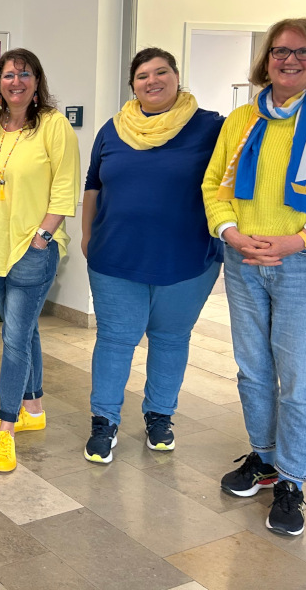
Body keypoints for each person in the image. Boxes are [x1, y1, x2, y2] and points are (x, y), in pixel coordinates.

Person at [202, 18, 306, 537]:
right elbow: (214, 185)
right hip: (244, 261)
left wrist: (298, 239)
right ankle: (265, 458)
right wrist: (232, 234)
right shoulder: (242, 119)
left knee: (299, 383)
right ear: (266, 59)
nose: (290, 60)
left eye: (302, 52)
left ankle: (292, 482)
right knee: (252, 371)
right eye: (280, 51)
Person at [80, 48, 223, 465]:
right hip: (116, 256)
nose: (152, 80)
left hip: (187, 258)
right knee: (115, 339)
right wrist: (88, 234)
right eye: (143, 75)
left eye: (161, 72)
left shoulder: (210, 127)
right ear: (133, 85)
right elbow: (93, 183)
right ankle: (104, 421)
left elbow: (231, 179)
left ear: (177, 76)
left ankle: (160, 416)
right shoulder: (113, 129)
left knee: (171, 339)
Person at [0, 48, 79, 473]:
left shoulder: (54, 126)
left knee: (14, 339)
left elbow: (65, 188)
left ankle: (7, 428)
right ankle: (33, 409)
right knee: (24, 331)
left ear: (37, 82)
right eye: (8, 75)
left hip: (32, 249)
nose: (16, 82)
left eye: (24, 74)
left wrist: (42, 238)